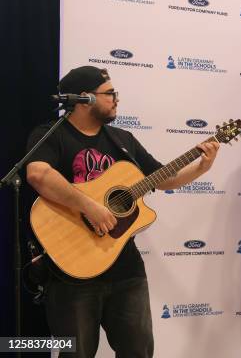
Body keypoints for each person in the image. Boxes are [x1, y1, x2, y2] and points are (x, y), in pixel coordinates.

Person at [25, 66, 220, 358]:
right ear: (84, 99)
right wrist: (89, 206)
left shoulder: (122, 140)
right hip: (72, 271)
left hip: (126, 270)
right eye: (110, 94)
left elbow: (162, 177)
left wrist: (201, 167)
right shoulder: (51, 135)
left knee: (139, 351)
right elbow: (37, 174)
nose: (117, 99)